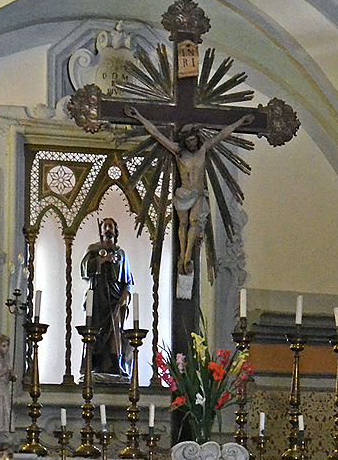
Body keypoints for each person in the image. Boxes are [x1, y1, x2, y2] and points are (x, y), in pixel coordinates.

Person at [127, 108, 254, 274]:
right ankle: (181, 255)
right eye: (189, 141)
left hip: (198, 193)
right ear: (185, 142)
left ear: (197, 139)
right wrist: (139, 116)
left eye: (193, 140)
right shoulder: (179, 152)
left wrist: (240, 122)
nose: (192, 143)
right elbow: (157, 134)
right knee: (184, 223)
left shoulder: (203, 151)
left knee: (194, 222)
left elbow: (222, 134)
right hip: (184, 193)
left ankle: (187, 257)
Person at [80, 219, 133, 377]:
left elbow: (128, 281)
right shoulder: (94, 250)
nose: (108, 229)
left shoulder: (121, 254)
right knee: (96, 333)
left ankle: (116, 363)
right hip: (98, 301)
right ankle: (94, 364)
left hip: (116, 300)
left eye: (111, 226)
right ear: (101, 230)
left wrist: (125, 296)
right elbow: (84, 270)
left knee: (116, 330)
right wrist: (102, 260)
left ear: (116, 231)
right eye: (105, 226)